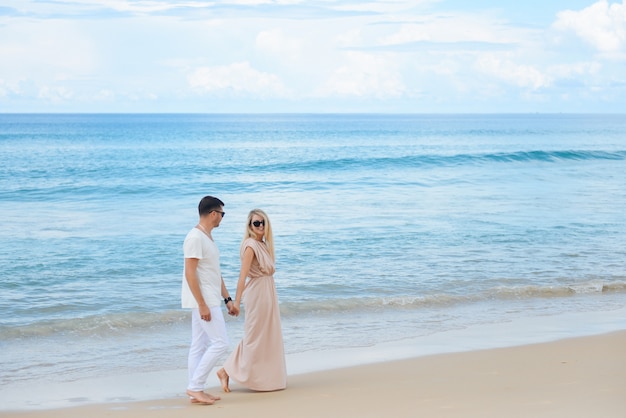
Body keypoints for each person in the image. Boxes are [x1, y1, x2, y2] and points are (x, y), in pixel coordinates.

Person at [217, 209, 287, 392]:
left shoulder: (263, 244)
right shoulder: (250, 246)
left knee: (267, 336)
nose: (260, 226)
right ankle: (225, 371)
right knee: (253, 336)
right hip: (257, 293)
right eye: (256, 223)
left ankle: (266, 379)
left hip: (268, 292)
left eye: (263, 222)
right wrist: (236, 302)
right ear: (250, 226)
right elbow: (242, 277)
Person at [181, 195, 237, 405]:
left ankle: (195, 389)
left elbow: (214, 272)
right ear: (213, 214)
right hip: (203, 300)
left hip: (212, 297)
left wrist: (228, 299)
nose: (223, 218)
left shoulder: (207, 237)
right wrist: (202, 304)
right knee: (221, 343)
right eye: (222, 214)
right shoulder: (195, 237)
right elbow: (190, 273)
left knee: (199, 345)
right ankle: (195, 387)